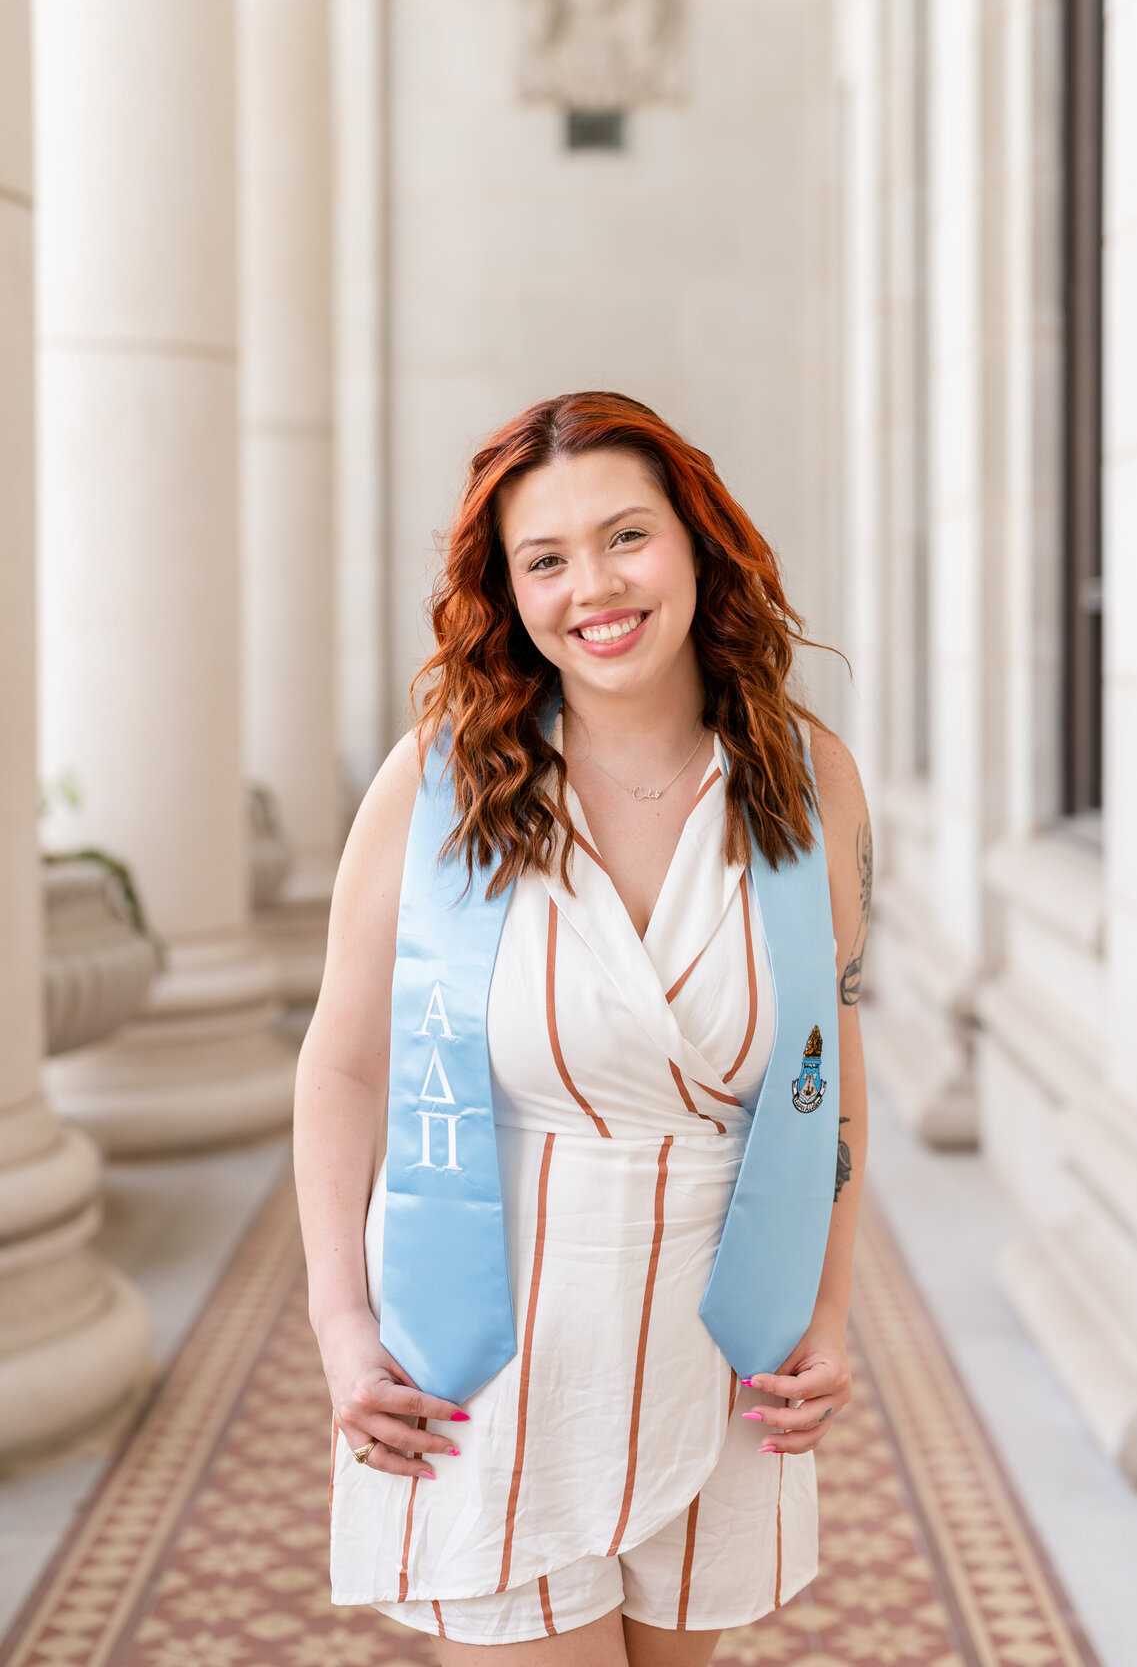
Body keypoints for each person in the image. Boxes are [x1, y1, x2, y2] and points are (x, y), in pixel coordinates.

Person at [293, 390, 870, 1667]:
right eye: (544, 559)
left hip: (720, 1355)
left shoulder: (807, 781)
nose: (592, 587)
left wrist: (828, 1312)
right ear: (507, 592)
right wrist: (342, 1323)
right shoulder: (439, 783)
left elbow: (826, 1063)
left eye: (626, 537)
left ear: (696, 545)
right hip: (493, 1362)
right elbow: (343, 1060)